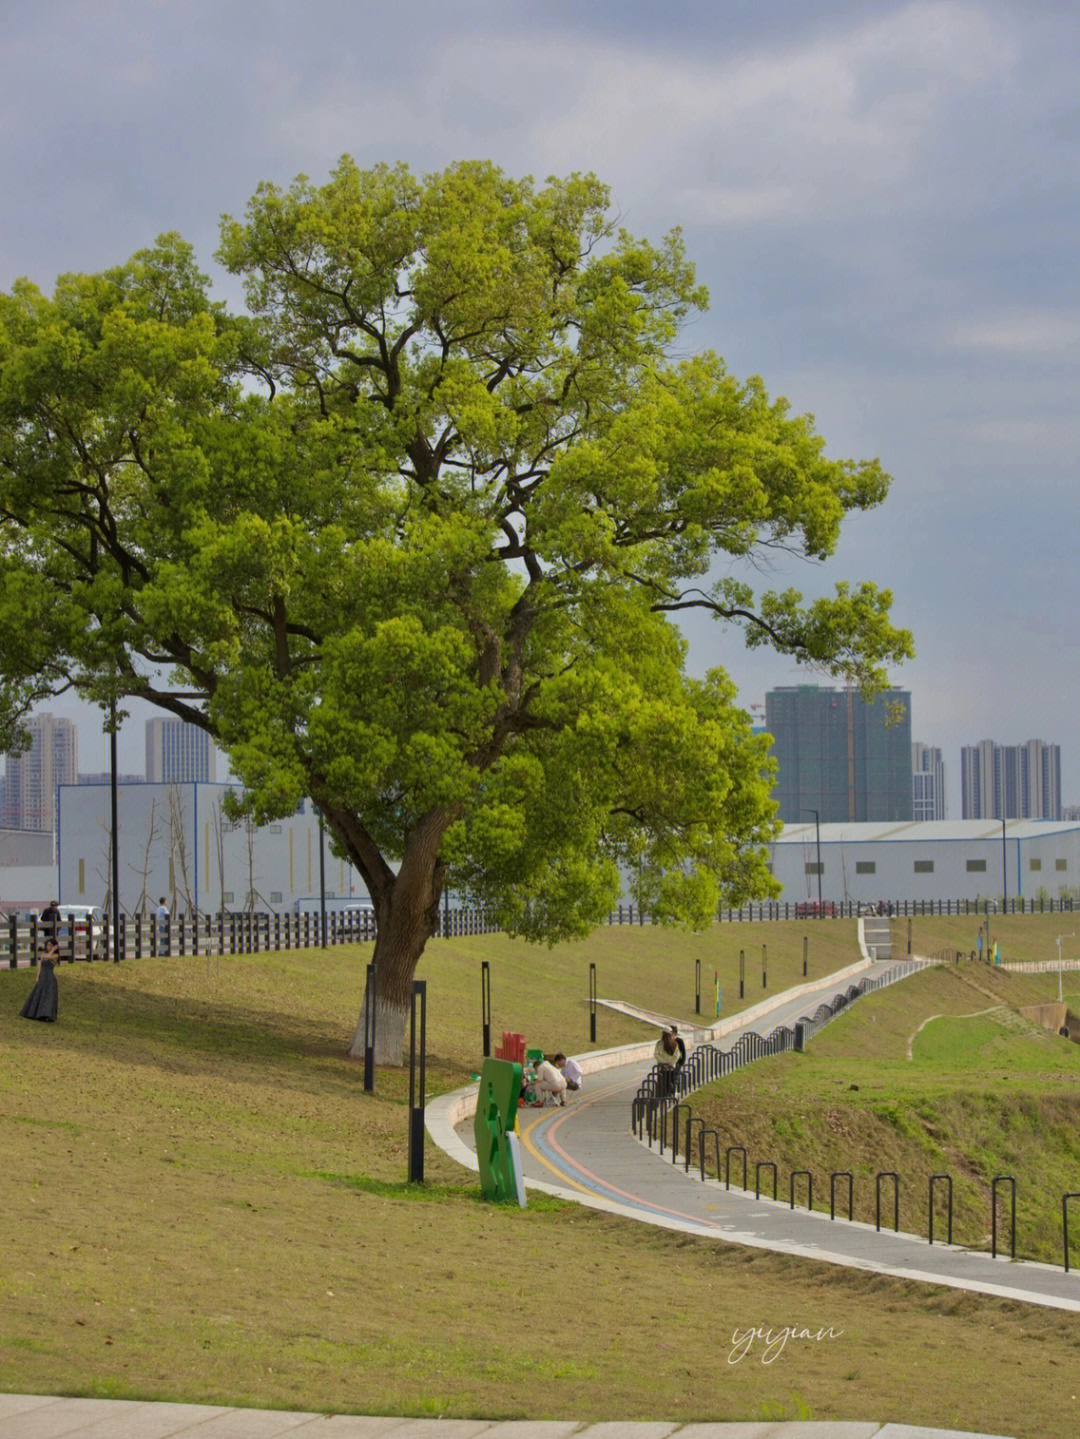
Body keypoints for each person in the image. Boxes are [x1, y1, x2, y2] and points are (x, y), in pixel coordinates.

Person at [21, 938, 60, 1022]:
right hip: (43, 977)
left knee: (48, 997)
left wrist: (53, 949)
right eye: (48, 945)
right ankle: (35, 1013)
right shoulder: (43, 955)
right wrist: (38, 976)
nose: (49, 947)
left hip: (50, 978)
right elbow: (40, 967)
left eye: (51, 945)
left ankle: (46, 1014)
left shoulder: (55, 956)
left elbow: (49, 956)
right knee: (39, 994)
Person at [654, 1028, 679, 1097]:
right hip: (672, 1067)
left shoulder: (659, 1044)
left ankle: (663, 1097)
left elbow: (656, 1054)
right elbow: (677, 1056)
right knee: (672, 1081)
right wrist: (670, 1063)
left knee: (663, 1082)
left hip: (662, 1067)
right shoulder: (675, 1044)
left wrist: (664, 1063)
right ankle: (672, 1095)